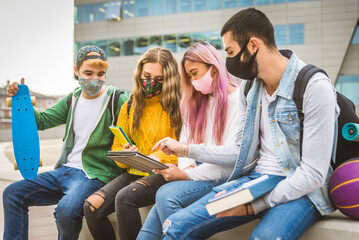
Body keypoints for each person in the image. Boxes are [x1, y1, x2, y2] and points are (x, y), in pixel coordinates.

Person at [148, 8, 338, 240]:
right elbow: (239, 151)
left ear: (253, 46)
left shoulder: (314, 86)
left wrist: (255, 204)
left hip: (302, 190)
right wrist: (187, 149)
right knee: (177, 224)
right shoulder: (250, 88)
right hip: (256, 181)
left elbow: (313, 174)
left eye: (230, 51)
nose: (227, 61)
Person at [3, 45, 129, 240]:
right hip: (64, 171)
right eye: (88, 72)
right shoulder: (73, 99)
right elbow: (42, 121)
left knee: (66, 210)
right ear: (76, 71)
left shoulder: (117, 99)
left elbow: (136, 124)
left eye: (100, 74)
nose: (94, 79)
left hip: (94, 174)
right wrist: (22, 99)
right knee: (12, 194)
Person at [137, 41, 241, 240]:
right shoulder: (195, 102)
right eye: (190, 76)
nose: (193, 81)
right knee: (150, 226)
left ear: (214, 67)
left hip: (223, 179)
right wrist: (188, 166)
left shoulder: (239, 101)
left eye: (195, 73)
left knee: (166, 195)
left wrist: (187, 176)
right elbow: (185, 141)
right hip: (200, 173)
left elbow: (231, 163)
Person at [83, 47, 182, 240]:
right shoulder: (130, 105)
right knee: (91, 207)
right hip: (133, 172)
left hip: (163, 173)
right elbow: (117, 147)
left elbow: (183, 149)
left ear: (169, 79)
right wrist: (126, 154)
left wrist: (156, 157)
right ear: (139, 73)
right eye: (147, 75)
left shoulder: (177, 107)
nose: (151, 82)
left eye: (159, 79)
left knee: (125, 197)